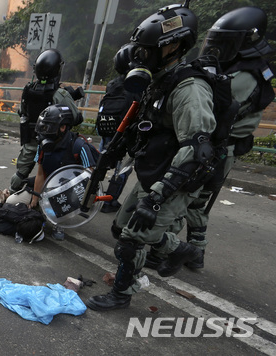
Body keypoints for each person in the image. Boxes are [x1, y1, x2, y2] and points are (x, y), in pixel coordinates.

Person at [87, 3, 214, 311]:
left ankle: (122, 293)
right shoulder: (158, 83)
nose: (141, 56)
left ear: (173, 46)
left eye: (147, 50)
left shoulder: (189, 88)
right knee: (120, 228)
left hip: (176, 178)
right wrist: (109, 157)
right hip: (153, 170)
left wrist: (157, 197)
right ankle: (174, 248)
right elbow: (141, 128)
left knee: (130, 238)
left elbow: (197, 149)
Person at [147, 6, 276, 270]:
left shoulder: (247, 76)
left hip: (220, 147)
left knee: (187, 198)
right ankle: (195, 253)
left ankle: (176, 252)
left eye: (224, 43)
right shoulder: (232, 68)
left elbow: (215, 109)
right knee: (196, 201)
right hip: (213, 143)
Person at [18, 104, 95, 240]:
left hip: (68, 191)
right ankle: (42, 211)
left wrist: (83, 202)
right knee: (13, 202)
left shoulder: (78, 146)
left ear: (63, 127)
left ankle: (59, 223)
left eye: (49, 127)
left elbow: (91, 177)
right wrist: (35, 199)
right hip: (47, 186)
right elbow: (40, 174)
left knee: (57, 206)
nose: (44, 131)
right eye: (43, 126)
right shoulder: (43, 146)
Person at [9, 49, 80, 193]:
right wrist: (68, 98)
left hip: (31, 139)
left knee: (20, 173)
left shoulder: (28, 89)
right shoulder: (60, 94)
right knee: (54, 175)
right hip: (54, 142)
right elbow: (76, 118)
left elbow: (22, 112)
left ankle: (11, 194)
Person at [97, 44, 142, 213]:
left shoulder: (112, 84)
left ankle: (89, 194)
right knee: (121, 169)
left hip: (107, 129)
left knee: (101, 163)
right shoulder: (137, 86)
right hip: (126, 133)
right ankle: (109, 201)